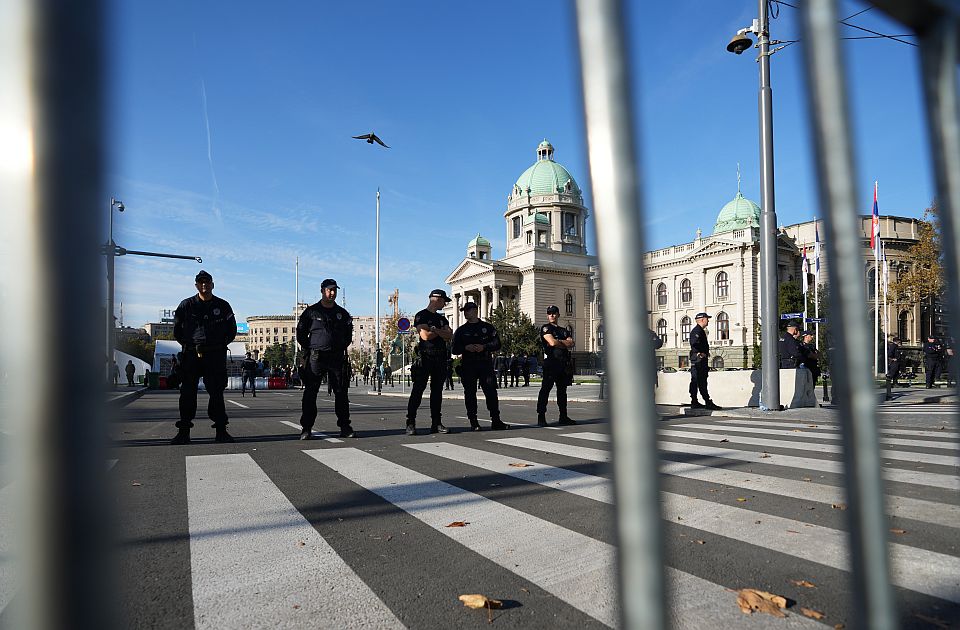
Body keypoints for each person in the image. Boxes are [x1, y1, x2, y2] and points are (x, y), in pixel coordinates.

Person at [170, 270, 238, 445]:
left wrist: (221, 344)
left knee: (216, 393)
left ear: (212, 285)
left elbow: (232, 330)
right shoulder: (186, 305)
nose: (204, 285)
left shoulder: (223, 306)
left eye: (207, 282)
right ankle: (183, 432)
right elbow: (177, 329)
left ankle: (221, 431)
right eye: (201, 282)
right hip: (191, 354)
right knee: (187, 393)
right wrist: (187, 344)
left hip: (214, 354)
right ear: (196, 286)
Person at [297, 279, 355, 439]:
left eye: (334, 290)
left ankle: (345, 427)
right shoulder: (311, 312)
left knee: (341, 393)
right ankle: (306, 428)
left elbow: (349, 335)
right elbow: (301, 334)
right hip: (316, 357)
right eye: (329, 290)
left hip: (336, 357)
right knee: (310, 393)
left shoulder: (342, 313)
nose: (332, 293)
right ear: (322, 290)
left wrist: (339, 346)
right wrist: (310, 348)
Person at [451, 301, 510, 431]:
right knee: (470, 393)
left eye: (468, 310)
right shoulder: (461, 330)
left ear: (475, 311)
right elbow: (454, 349)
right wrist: (466, 347)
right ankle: (473, 421)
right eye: (464, 311)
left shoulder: (487, 328)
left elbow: (497, 344)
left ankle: (496, 420)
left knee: (491, 392)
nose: (465, 313)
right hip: (469, 364)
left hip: (485, 363)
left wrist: (484, 347)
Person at [406, 289, 453, 435]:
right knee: (418, 390)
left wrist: (436, 330)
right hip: (425, 358)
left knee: (437, 392)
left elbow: (449, 335)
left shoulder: (442, 319)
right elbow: (425, 336)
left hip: (439, 358)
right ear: (436, 299)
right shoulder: (422, 315)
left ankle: (436, 423)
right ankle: (411, 422)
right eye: (444, 300)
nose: (445, 303)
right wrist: (440, 332)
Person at [536, 305, 577, 426]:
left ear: (558, 314)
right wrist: (563, 342)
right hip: (551, 363)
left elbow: (572, 343)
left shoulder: (564, 330)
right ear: (547, 315)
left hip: (563, 364)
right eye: (549, 313)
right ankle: (541, 416)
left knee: (562, 392)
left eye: (554, 313)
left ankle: (563, 416)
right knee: (545, 390)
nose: (552, 315)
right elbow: (552, 342)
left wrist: (559, 342)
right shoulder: (545, 328)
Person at [689, 312, 721, 410]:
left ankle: (695, 402)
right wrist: (700, 353)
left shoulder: (700, 330)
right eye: (707, 318)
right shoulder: (697, 331)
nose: (708, 320)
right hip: (699, 360)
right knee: (700, 381)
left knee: (698, 381)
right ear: (702, 319)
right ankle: (706, 402)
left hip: (699, 359)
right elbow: (694, 343)